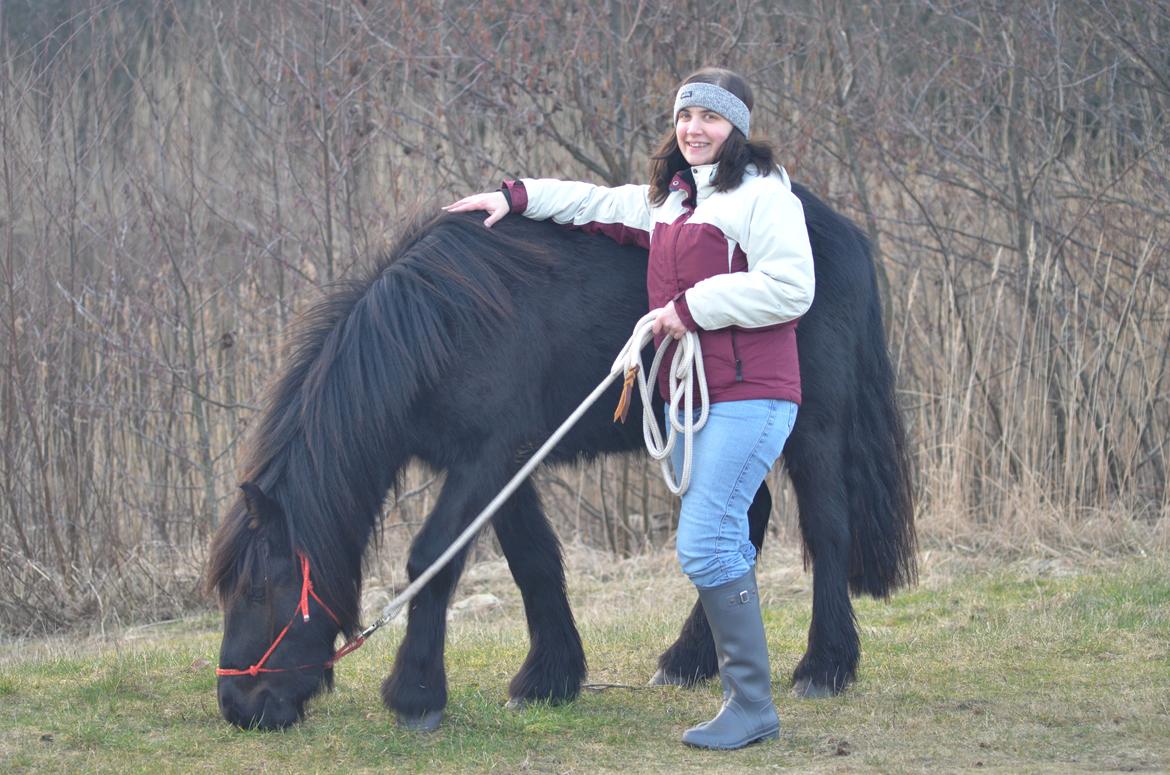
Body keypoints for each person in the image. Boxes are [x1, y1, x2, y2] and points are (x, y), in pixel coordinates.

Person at [444, 67, 814, 750]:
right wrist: (512, 196)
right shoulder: (671, 200)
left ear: (736, 127)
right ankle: (747, 695)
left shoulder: (763, 195)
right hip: (686, 397)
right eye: (685, 117)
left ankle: (751, 703)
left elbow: (792, 286)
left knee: (703, 543)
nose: (694, 129)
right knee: (722, 537)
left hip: (750, 393)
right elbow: (592, 202)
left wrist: (688, 309)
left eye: (710, 117)